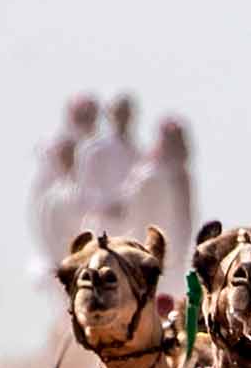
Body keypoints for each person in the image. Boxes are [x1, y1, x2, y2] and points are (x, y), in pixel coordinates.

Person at [120, 118, 194, 290]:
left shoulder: (181, 174)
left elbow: (186, 215)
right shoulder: (148, 174)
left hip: (176, 250)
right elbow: (137, 215)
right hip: (149, 248)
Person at [76, 94, 138, 226]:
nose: (123, 118)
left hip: (130, 226)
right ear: (110, 115)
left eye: (127, 114)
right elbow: (84, 193)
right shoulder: (94, 148)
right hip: (101, 225)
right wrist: (108, 206)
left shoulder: (137, 152)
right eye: (119, 113)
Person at [29, 138, 86, 279]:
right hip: (63, 261)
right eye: (66, 157)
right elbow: (46, 230)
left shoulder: (89, 189)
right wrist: (58, 259)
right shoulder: (53, 195)